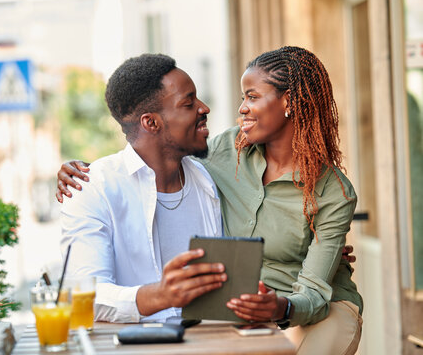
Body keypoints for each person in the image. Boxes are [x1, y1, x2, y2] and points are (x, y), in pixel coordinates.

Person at [57, 46, 363, 355]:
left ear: (290, 103)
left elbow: (314, 291)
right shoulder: (225, 152)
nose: (239, 108)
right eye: (244, 97)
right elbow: (154, 158)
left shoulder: (331, 192)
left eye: (252, 97)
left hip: (311, 311)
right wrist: (86, 173)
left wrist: (291, 291)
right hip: (236, 316)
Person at [59, 53, 227, 324]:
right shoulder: (93, 187)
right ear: (151, 122)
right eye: (188, 103)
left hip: (213, 344)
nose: (204, 108)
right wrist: (160, 295)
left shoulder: (208, 178)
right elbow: (83, 295)